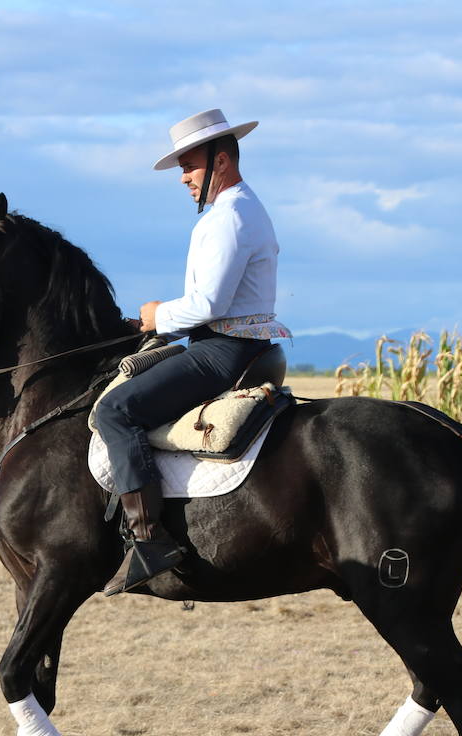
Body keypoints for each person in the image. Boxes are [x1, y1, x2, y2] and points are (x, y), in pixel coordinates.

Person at [96, 109, 292, 596]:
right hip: (232, 342)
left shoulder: (229, 216)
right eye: (183, 168)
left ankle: (150, 541)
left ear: (221, 161)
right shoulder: (241, 208)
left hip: (221, 351)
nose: (184, 178)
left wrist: (157, 314)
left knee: (117, 411)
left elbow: (208, 304)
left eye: (191, 167)